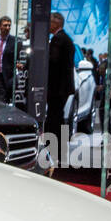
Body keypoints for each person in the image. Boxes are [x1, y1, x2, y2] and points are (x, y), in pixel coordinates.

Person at [45, 12, 76, 141]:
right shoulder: (67, 38)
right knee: (58, 116)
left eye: (50, 21)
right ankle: (58, 147)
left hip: (57, 87)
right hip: (63, 87)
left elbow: (53, 61)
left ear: (56, 22)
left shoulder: (58, 39)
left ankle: (53, 146)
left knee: (54, 117)